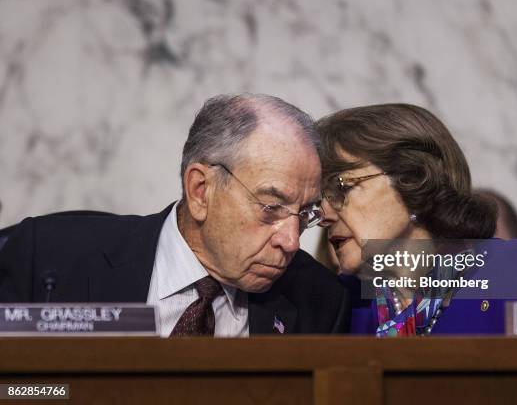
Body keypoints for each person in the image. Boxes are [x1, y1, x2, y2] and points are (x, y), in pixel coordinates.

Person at [0, 94, 350, 336]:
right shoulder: (50, 257)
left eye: (304, 214)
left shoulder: (318, 301)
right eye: (271, 207)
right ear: (201, 191)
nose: (291, 240)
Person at [316, 103, 498, 336]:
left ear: (414, 180)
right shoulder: (339, 305)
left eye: (341, 188)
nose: (324, 214)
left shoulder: (507, 281)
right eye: (321, 197)